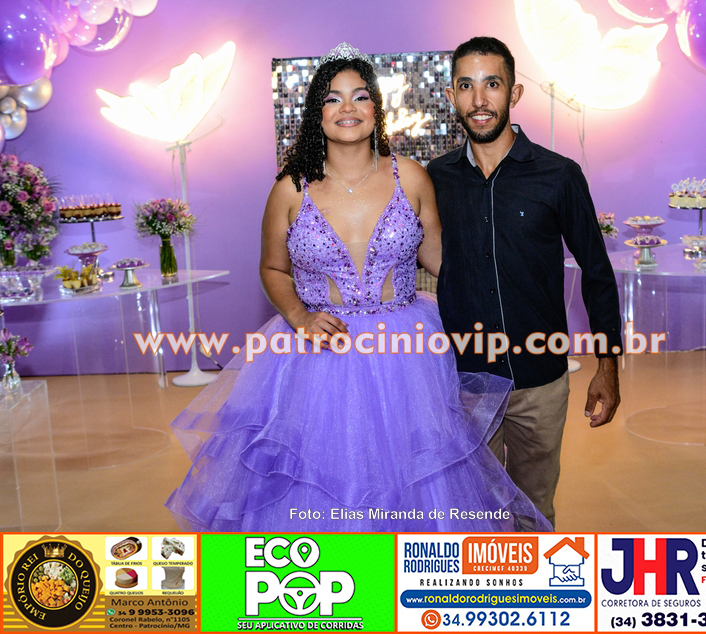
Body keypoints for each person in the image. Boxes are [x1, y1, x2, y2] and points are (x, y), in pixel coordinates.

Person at [165, 42, 552, 532]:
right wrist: (300, 317)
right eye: (333, 98)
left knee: (417, 477)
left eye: (360, 96)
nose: (347, 108)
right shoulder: (290, 187)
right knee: (317, 480)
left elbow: (444, 262)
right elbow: (273, 269)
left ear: (376, 109)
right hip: (317, 353)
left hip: (406, 353)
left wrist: (512, 276)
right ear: (317, 113)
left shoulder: (412, 177)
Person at [427, 36, 622, 529]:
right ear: (451, 95)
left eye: (492, 84)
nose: (479, 99)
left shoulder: (559, 175)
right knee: (475, 515)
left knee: (534, 511)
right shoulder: (436, 179)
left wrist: (608, 366)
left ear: (513, 93)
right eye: (466, 86)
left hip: (540, 381)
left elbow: (597, 272)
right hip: (467, 381)